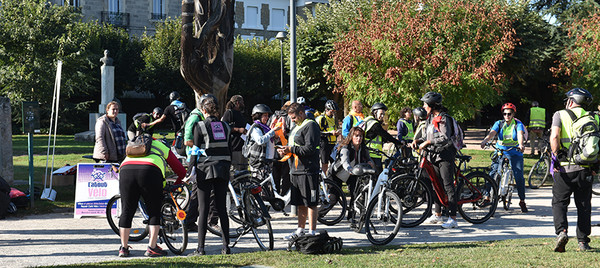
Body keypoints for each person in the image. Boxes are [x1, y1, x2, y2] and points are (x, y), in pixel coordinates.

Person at [117, 135, 186, 257]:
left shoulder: (133, 146)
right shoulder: (162, 146)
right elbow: (181, 171)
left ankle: (124, 248)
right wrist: (176, 184)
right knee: (154, 211)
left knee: (127, 211)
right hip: (150, 171)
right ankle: (152, 248)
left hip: (126, 170)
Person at [549, 87, 595, 252]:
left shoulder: (560, 114)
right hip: (586, 168)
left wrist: (555, 158)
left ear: (570, 100)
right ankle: (583, 242)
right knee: (583, 206)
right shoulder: (593, 117)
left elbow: (554, 136)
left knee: (559, 203)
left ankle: (561, 232)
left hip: (565, 168)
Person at [188, 97, 232, 256]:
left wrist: (189, 171)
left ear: (203, 110)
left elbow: (194, 151)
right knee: (222, 209)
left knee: (203, 209)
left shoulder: (199, 126)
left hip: (204, 169)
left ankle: (200, 248)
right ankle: (226, 247)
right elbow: (229, 149)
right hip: (223, 169)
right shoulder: (226, 126)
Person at [411, 92, 459, 229]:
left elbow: (444, 137)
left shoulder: (444, 118)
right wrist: (418, 140)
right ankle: (437, 215)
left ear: (432, 105)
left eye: (425, 104)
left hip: (445, 155)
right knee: (435, 185)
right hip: (433, 155)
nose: (423, 107)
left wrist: (427, 142)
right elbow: (427, 135)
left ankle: (453, 218)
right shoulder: (430, 118)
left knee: (448, 186)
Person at [277, 103, 321, 240]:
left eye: (294, 117)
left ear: (301, 113)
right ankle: (300, 230)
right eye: (291, 118)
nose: (292, 120)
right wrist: (284, 150)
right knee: (301, 202)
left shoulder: (311, 125)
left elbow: (310, 148)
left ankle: (312, 232)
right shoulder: (297, 127)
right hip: (296, 170)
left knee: (311, 202)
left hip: (308, 170)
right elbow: (294, 146)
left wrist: (291, 150)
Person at [480, 103, 528, 213]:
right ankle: (487, 197)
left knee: (519, 177)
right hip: (500, 151)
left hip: (515, 152)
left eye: (509, 114)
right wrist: (485, 141)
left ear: (513, 114)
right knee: (492, 173)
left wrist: (520, 145)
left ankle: (522, 200)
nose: (507, 116)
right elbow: (492, 133)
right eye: (505, 113)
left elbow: (520, 134)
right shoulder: (499, 123)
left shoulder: (518, 124)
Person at [182, 93, 219, 232]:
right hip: (196, 159)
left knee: (201, 192)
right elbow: (187, 141)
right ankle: (190, 221)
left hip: (204, 159)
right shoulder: (194, 118)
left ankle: (193, 220)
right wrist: (204, 146)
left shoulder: (203, 117)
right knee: (199, 192)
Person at [329, 126, 374, 227]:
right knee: (333, 198)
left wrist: (370, 162)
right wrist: (349, 169)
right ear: (351, 136)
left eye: (361, 136)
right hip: (338, 174)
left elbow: (368, 158)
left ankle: (351, 217)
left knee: (355, 194)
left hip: (352, 174)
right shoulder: (346, 147)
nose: (359, 138)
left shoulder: (363, 148)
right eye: (356, 136)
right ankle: (319, 213)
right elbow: (345, 161)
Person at [362, 103, 403, 171]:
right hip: (372, 153)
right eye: (381, 114)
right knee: (378, 175)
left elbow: (374, 135)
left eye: (383, 114)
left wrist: (384, 140)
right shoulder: (374, 124)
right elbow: (385, 135)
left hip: (369, 152)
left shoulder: (368, 120)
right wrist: (398, 142)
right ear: (375, 112)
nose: (382, 116)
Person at [247, 104, 281, 174]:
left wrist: (276, 138)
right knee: (258, 183)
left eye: (268, 116)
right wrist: (272, 131)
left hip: (267, 161)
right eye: (265, 115)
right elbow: (260, 140)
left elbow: (269, 140)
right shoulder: (256, 128)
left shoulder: (265, 128)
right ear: (258, 116)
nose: (267, 118)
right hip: (258, 162)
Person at [268, 101, 292, 196]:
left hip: (274, 147)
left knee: (275, 171)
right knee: (286, 173)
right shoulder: (288, 117)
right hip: (285, 147)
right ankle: (285, 194)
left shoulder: (274, 116)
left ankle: (275, 193)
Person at [222, 95, 248, 171]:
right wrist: (238, 129)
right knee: (236, 171)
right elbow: (224, 127)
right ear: (237, 103)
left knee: (244, 170)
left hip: (243, 148)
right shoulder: (229, 113)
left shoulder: (240, 113)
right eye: (242, 102)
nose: (243, 104)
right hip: (234, 148)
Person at [315, 100, 341, 175]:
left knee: (334, 162)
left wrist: (337, 132)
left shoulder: (333, 119)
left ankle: (331, 179)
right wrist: (330, 133)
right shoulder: (321, 119)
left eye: (334, 111)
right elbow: (317, 132)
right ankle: (324, 180)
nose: (333, 113)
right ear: (326, 110)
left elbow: (334, 129)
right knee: (324, 163)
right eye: (331, 111)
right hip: (324, 143)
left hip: (333, 143)